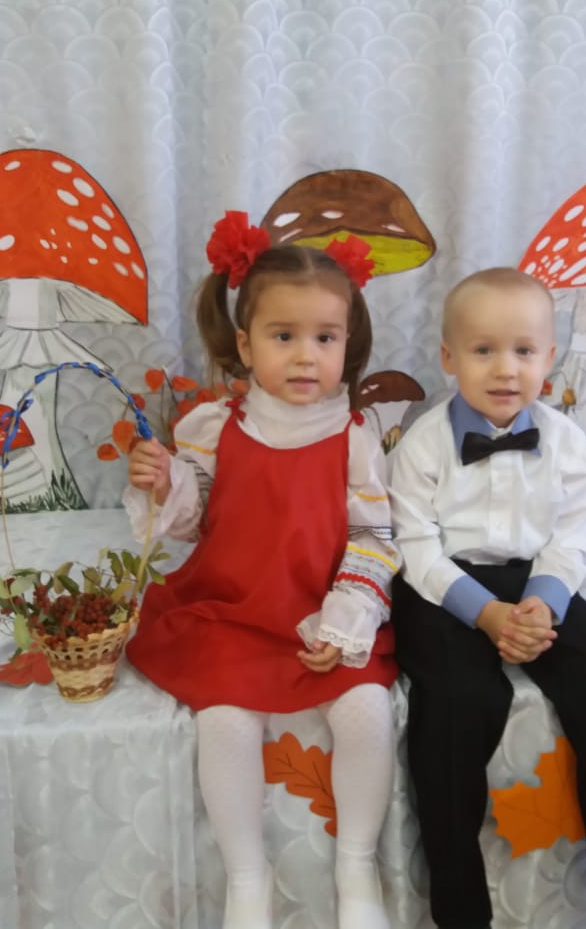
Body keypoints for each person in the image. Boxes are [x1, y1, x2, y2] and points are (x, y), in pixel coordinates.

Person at [124, 212, 399, 929]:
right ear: (245, 345)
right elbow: (191, 520)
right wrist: (164, 483)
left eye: (325, 338)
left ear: (347, 344)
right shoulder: (217, 427)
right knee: (223, 721)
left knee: (367, 714)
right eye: (284, 337)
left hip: (320, 612)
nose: (306, 357)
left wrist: (345, 619)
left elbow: (375, 537)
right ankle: (248, 878)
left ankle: (356, 864)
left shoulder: (356, 439)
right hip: (232, 613)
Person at [388, 267, 586, 929]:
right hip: (444, 586)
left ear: (549, 357)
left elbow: (571, 537)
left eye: (523, 350)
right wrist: (485, 615)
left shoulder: (568, 443)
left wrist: (543, 603)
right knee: (461, 705)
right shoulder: (422, 443)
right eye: (483, 350)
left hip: (535, 578)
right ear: (449, 357)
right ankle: (461, 911)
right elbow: (416, 548)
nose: (505, 369)